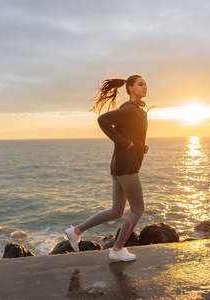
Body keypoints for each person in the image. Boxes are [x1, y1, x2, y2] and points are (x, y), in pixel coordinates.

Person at [65, 74, 149, 262]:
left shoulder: (136, 110)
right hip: (126, 167)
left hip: (120, 164)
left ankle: (76, 231)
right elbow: (103, 120)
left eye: (146, 85)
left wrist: (139, 146)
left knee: (116, 212)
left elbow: (128, 133)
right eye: (141, 84)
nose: (145, 87)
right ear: (130, 88)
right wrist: (122, 141)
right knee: (137, 209)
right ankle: (117, 249)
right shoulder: (130, 110)